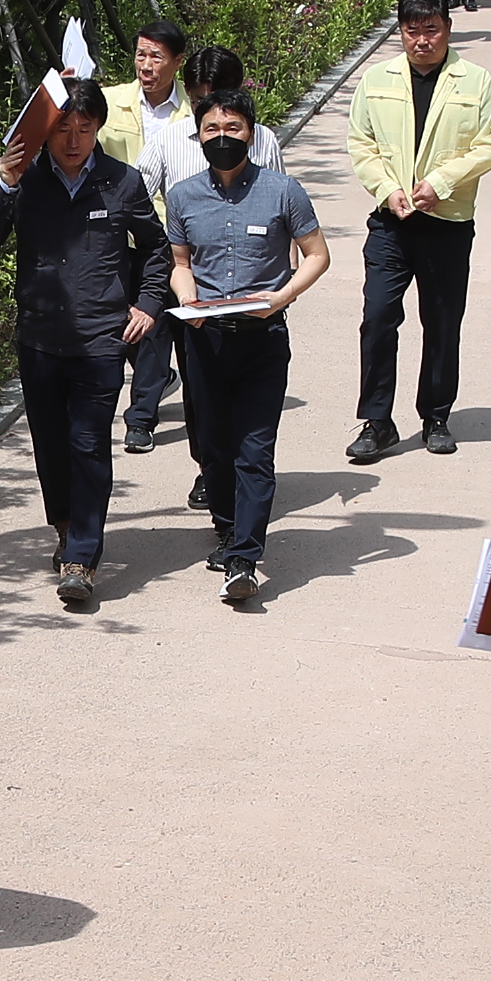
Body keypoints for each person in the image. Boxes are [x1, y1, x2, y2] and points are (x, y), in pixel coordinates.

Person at [0, 78, 168, 610]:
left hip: (102, 339)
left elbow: (156, 250)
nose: (74, 140)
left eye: (84, 128)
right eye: (63, 129)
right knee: (52, 448)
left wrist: (147, 305)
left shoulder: (122, 183)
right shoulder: (28, 182)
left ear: (99, 128)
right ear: (46, 132)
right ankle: (65, 525)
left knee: (88, 445)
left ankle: (82, 556)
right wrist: (6, 185)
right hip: (39, 338)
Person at [164, 82, 329, 607]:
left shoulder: (284, 191)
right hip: (205, 340)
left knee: (255, 450)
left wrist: (280, 298)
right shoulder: (183, 196)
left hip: (263, 337)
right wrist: (187, 303)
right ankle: (229, 529)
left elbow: (317, 256)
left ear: (251, 133)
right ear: (198, 135)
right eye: (212, 129)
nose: (222, 137)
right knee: (213, 447)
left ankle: (245, 558)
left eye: (232, 128)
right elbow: (180, 265)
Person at [343, 0, 491, 463]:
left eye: (431, 30)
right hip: (389, 223)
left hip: (447, 222)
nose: (421, 41)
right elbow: (361, 144)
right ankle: (377, 421)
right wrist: (385, 190)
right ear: (401, 32)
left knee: (441, 322)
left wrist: (441, 182)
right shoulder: (375, 81)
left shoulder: (474, 81)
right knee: (377, 318)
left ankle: (436, 415)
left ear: (448, 30)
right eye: (412, 31)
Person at [97, 24, 194, 456]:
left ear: (176, 62)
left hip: (165, 236)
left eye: (156, 57)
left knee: (152, 322)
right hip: (112, 230)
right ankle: (155, 383)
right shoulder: (111, 100)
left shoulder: (192, 114)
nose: (146, 66)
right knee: (117, 318)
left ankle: (140, 418)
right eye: (141, 56)